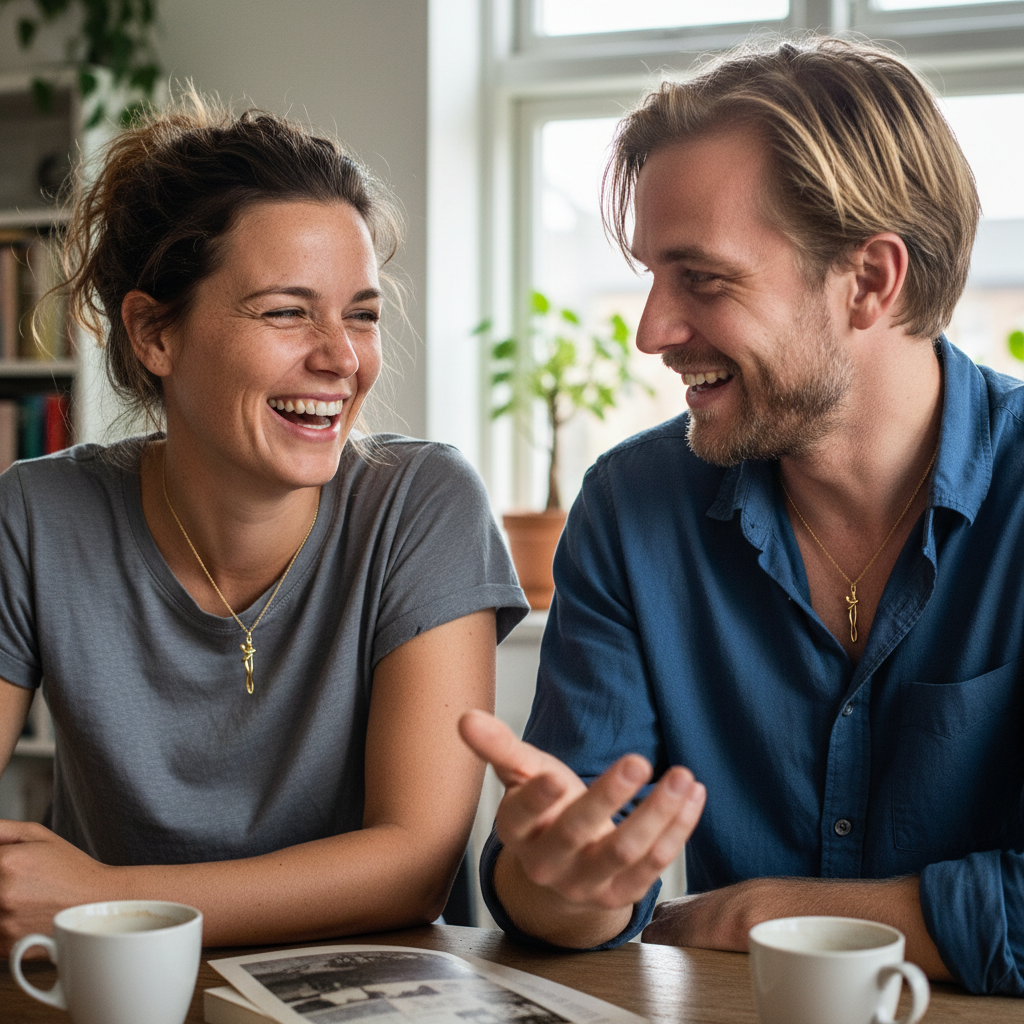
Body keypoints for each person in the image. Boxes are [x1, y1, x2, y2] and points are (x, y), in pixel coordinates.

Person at [460, 36, 1024, 996]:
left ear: (870, 281)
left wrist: (760, 912)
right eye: (651, 275)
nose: (652, 331)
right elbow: (572, 867)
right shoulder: (632, 509)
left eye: (703, 279)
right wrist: (560, 887)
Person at [0, 94, 529, 953]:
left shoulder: (423, 504)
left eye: (361, 314)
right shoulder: (36, 515)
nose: (341, 357)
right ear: (153, 333)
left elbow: (412, 865)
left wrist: (107, 900)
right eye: (287, 311)